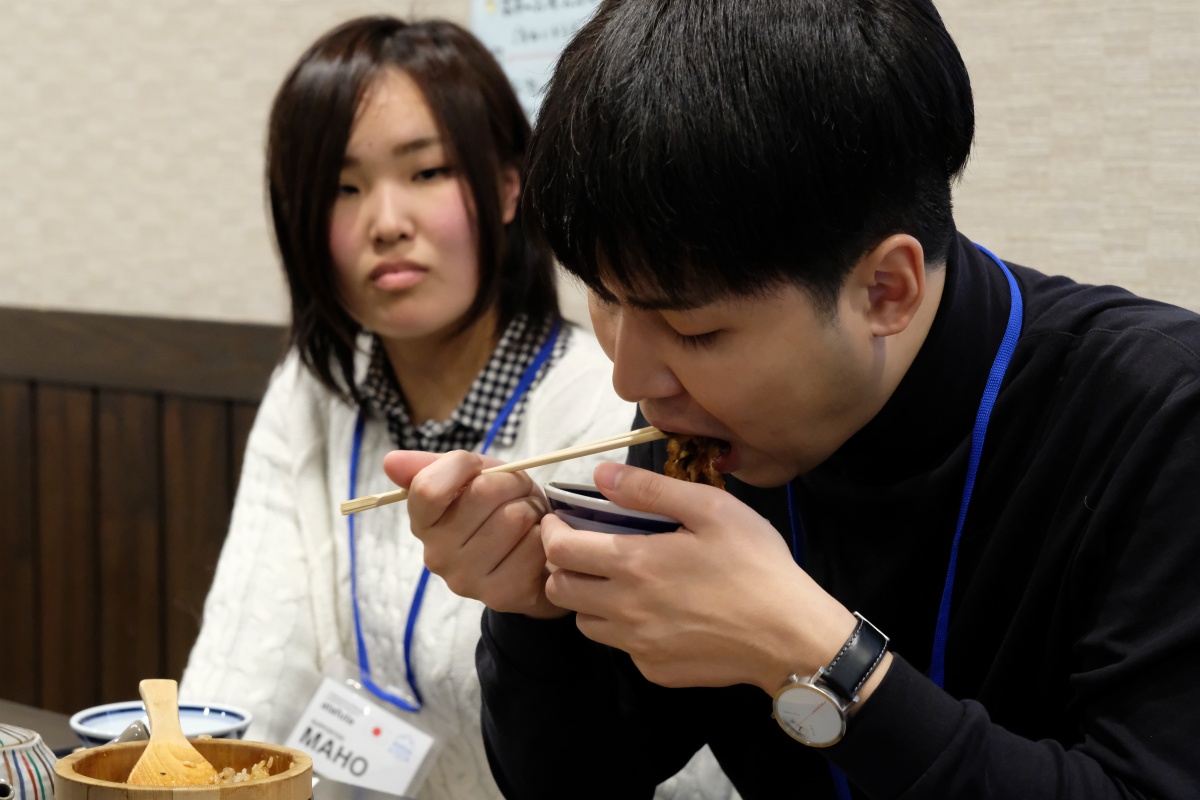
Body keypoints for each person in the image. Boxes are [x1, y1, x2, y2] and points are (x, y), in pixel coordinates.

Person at [380, 1, 1200, 798]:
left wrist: (809, 652)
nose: (632, 380)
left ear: (885, 289)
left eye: (694, 333)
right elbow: (584, 778)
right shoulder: (699, 426)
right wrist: (535, 610)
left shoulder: (1162, 416)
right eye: (605, 298)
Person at [179, 15, 735, 800]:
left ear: (508, 186)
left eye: (428, 172)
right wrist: (185, 771)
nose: (387, 222)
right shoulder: (313, 391)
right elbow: (249, 659)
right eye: (342, 188)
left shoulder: (609, 410)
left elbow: (666, 762)